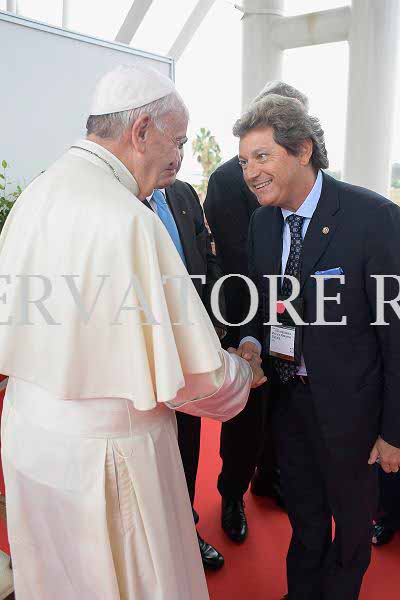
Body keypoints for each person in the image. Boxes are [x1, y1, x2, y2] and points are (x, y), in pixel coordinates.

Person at [0, 65, 266, 600]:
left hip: (30, 442)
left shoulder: (38, 193)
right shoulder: (128, 219)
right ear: (141, 130)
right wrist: (243, 372)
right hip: (109, 458)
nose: (179, 159)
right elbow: (194, 378)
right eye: (178, 142)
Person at [235, 93, 400, 599]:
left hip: (354, 414)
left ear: (303, 149)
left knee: (351, 530)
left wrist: (394, 432)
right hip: (288, 403)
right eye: (244, 162)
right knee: (305, 521)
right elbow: (262, 305)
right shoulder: (262, 223)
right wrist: (250, 342)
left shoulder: (374, 218)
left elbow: (396, 338)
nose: (250, 173)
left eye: (262, 156)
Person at [204, 81, 308, 541]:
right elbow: (236, 263)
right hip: (247, 313)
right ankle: (232, 494)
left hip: (294, 317)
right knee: (246, 414)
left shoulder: (303, 174)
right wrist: (253, 328)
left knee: (283, 407)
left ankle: (270, 477)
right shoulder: (227, 180)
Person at [144, 149, 227, 570]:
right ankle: (153, 547)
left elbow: (206, 258)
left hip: (189, 351)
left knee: (187, 443)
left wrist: (214, 322)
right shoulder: (118, 202)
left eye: (184, 143)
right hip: (143, 355)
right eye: (172, 141)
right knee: (149, 452)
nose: (177, 155)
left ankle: (186, 529)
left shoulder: (183, 194)